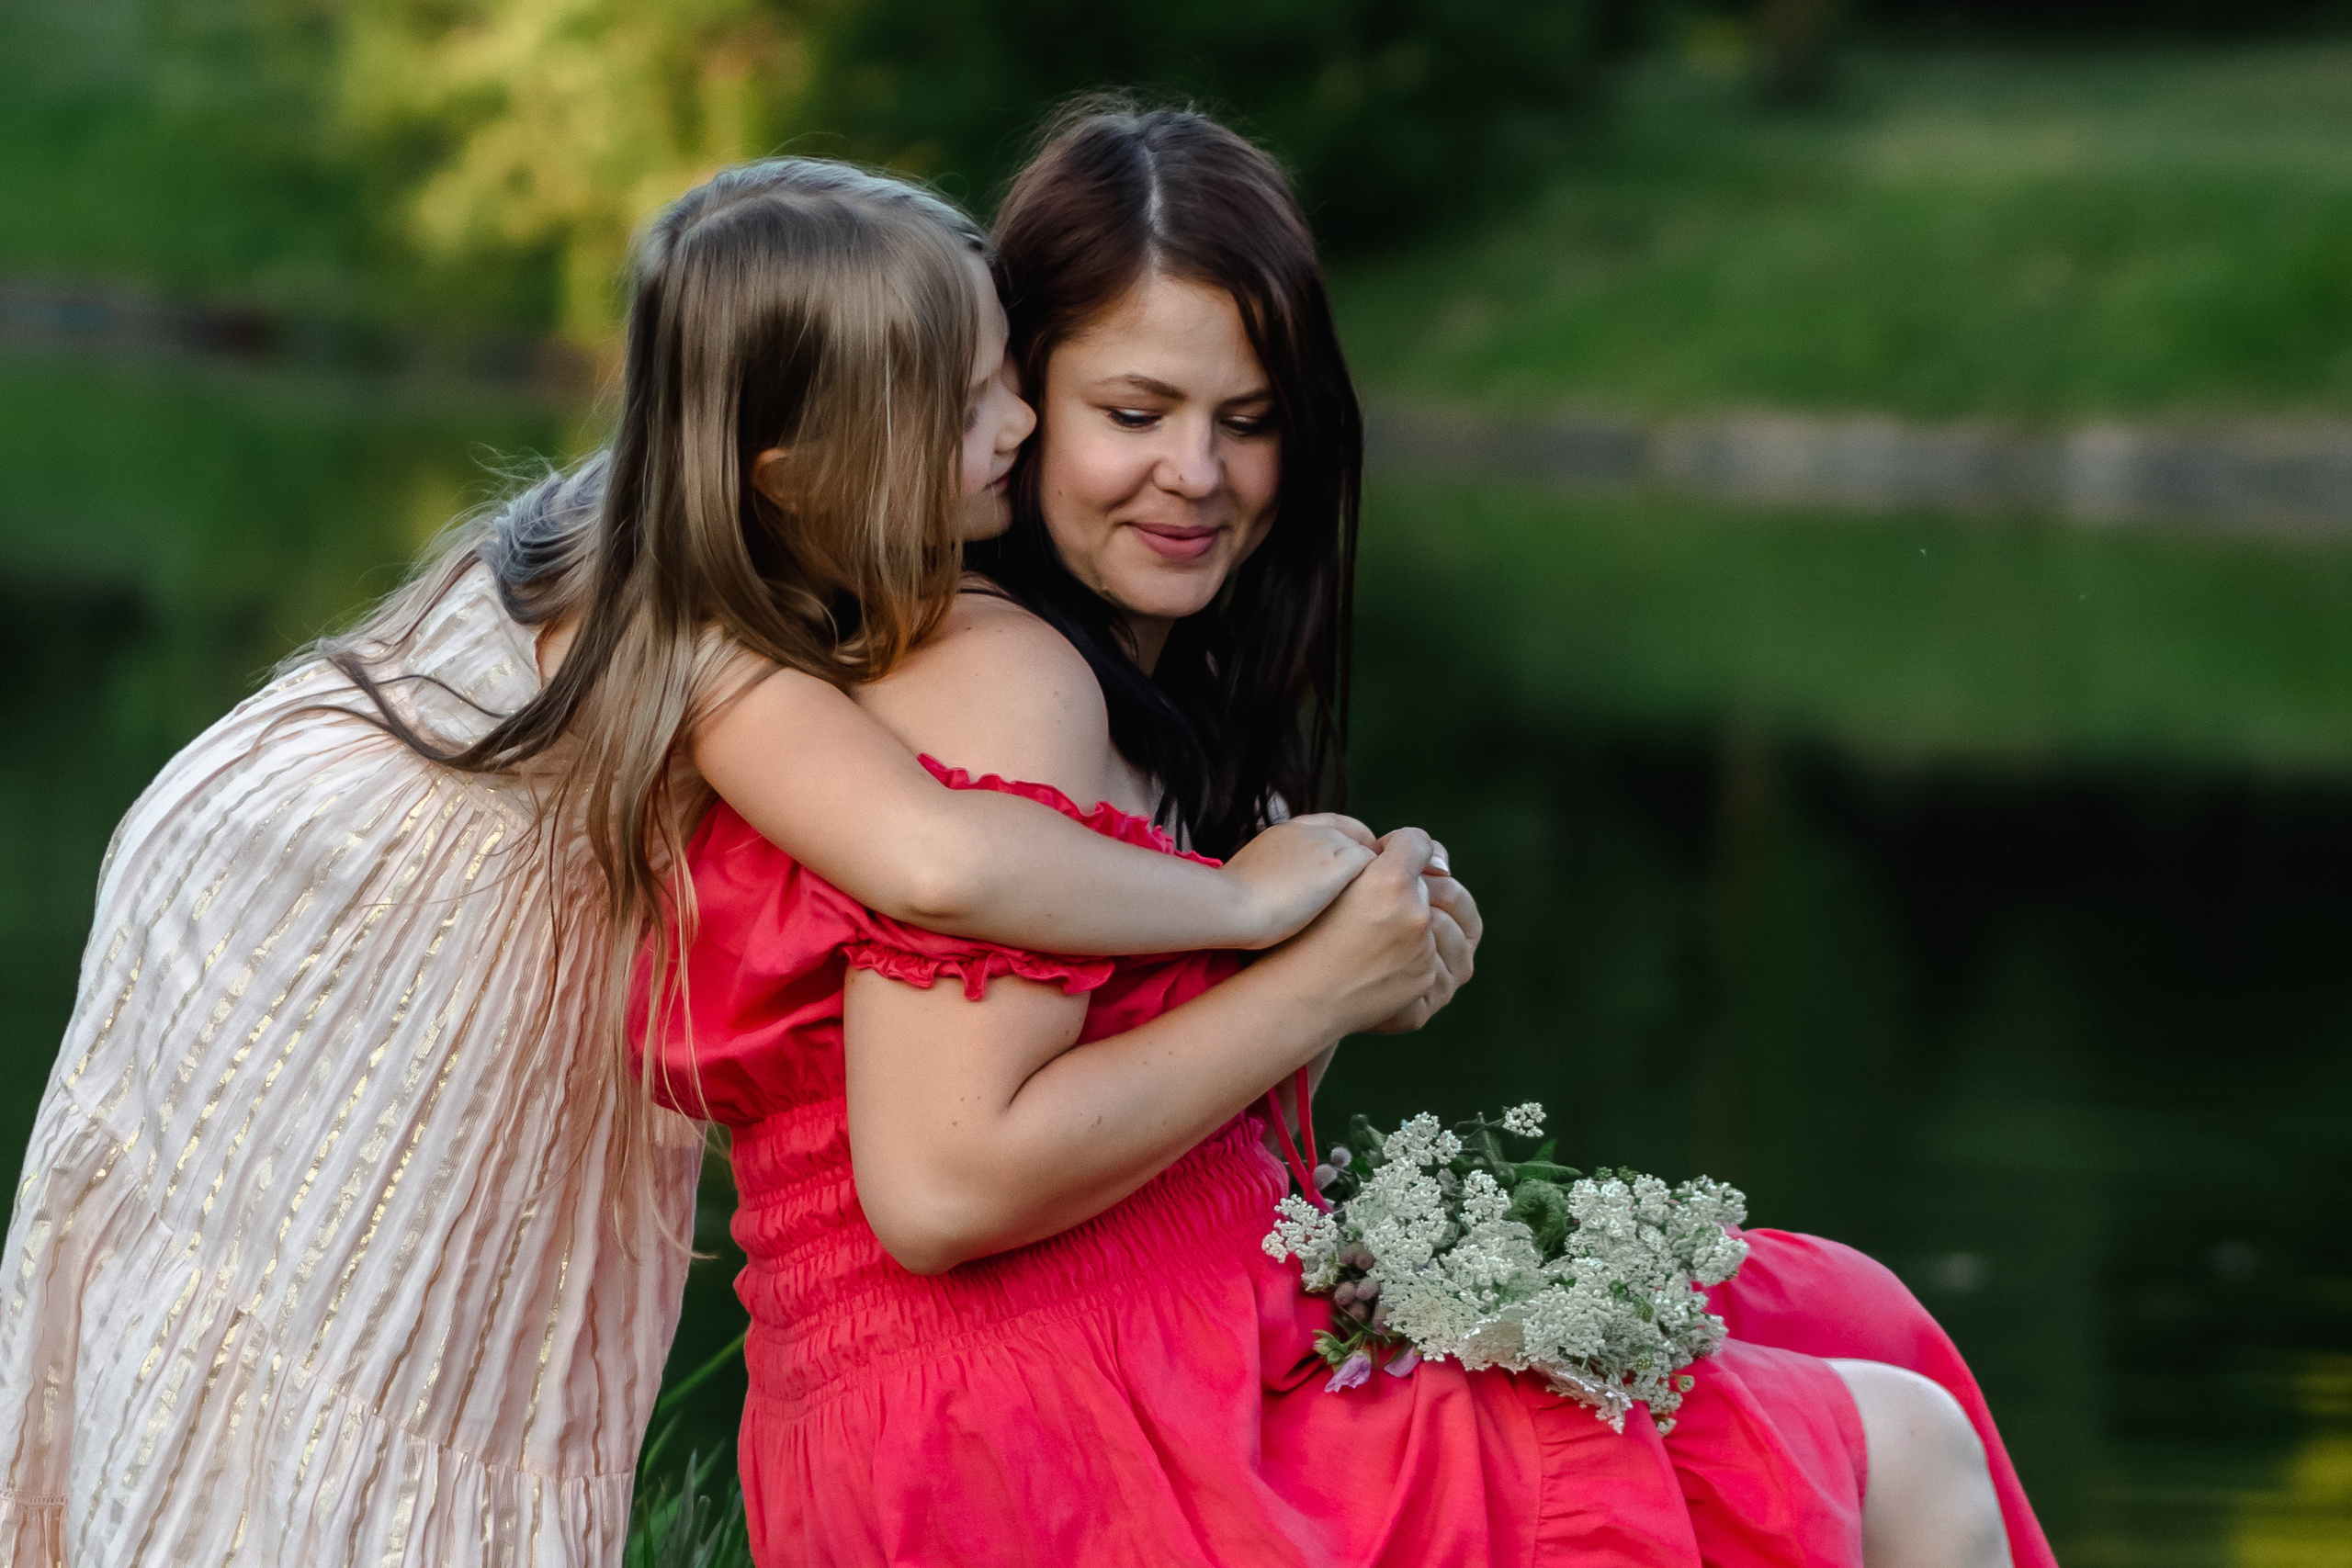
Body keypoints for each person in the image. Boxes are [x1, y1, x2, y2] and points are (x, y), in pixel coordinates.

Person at [645, 103, 2046, 1567]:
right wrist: (1316, 987)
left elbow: (1139, 1098)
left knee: (1850, 1318)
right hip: (1026, 1438)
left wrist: (1339, 996)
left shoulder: (1137, 696)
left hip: (1157, 1351)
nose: (1198, 473)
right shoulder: (1006, 686)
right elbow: (939, 1190)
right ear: (1012, 392)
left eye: (1247, 422)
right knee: (1896, 1457)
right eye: (1134, 414)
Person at [0, 158, 1388, 1567]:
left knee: (434, 1340)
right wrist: (1238, 904)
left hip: (406, 884)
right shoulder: (698, 625)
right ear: (802, 464)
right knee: (340, 1324)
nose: (1018, 422)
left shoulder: (756, 509)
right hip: (346, 913)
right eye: (976, 403)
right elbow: (934, 860)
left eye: (1011, 380)